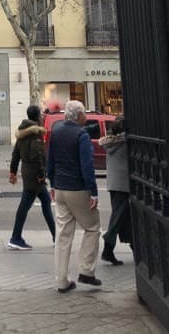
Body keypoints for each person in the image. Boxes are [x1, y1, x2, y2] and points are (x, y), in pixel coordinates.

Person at [47, 100, 101, 293]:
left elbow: (50, 160)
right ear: (78, 116)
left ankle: (61, 280)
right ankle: (86, 270)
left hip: (60, 188)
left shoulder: (56, 131)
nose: (86, 117)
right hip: (77, 188)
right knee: (92, 227)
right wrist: (93, 191)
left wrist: (52, 183)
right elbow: (87, 166)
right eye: (84, 113)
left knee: (62, 234)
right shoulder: (82, 134)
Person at [7, 104, 56, 250]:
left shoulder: (22, 132)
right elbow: (37, 155)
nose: (42, 116)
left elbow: (15, 154)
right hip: (35, 176)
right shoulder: (35, 133)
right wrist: (42, 175)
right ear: (36, 116)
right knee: (25, 205)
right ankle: (15, 237)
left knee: (45, 201)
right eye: (41, 114)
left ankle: (56, 236)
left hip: (28, 173)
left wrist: (13, 172)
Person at [98, 116, 131, 265]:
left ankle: (132, 244)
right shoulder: (125, 142)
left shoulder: (109, 142)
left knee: (123, 216)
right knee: (118, 217)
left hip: (113, 183)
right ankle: (108, 246)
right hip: (124, 183)